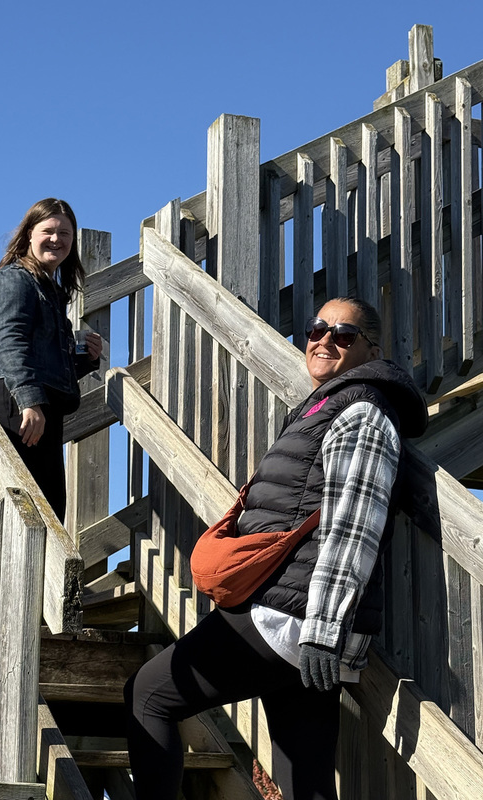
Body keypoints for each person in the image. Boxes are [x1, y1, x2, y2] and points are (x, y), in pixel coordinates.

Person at [124, 297, 428, 800]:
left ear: (372, 351)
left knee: (148, 696)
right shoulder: (326, 407)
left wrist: (324, 631)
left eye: (343, 334)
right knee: (304, 783)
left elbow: (355, 525)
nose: (325, 340)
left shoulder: (363, 412)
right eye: (316, 329)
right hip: (300, 624)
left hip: (292, 620)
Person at [0, 198, 102, 523]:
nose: (56, 239)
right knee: (26, 512)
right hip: (17, 400)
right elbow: (9, 340)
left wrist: (86, 360)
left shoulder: (48, 288)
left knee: (48, 511)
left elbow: (44, 361)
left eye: (65, 233)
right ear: (29, 234)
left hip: (37, 403)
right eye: (48, 231)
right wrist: (29, 401)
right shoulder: (15, 278)